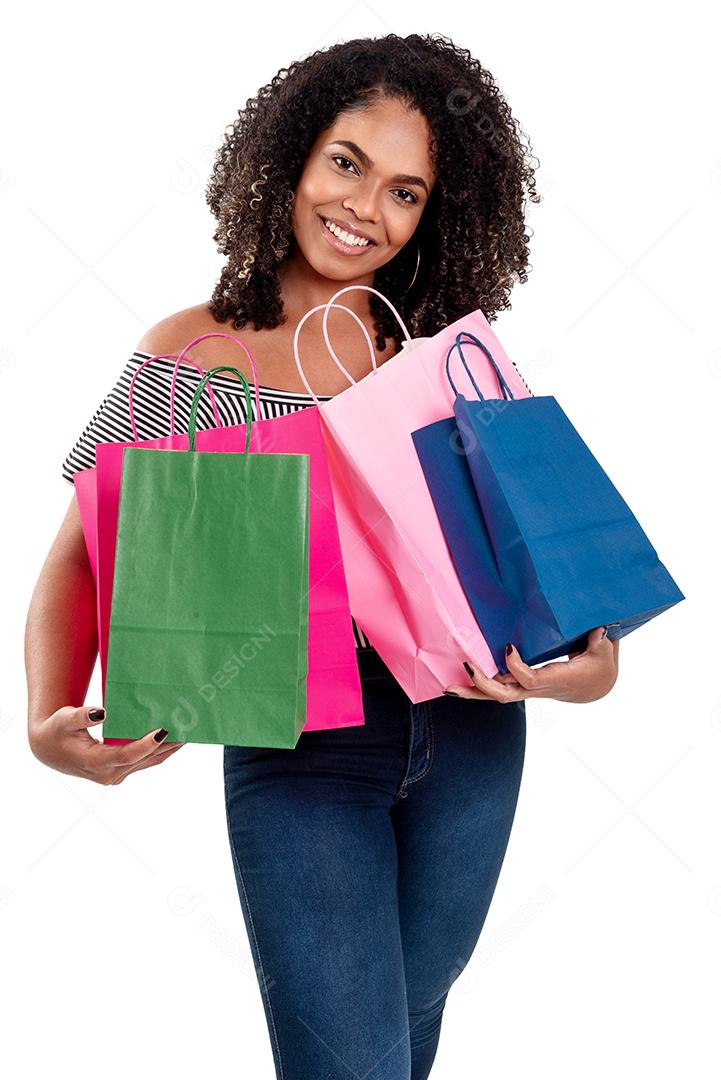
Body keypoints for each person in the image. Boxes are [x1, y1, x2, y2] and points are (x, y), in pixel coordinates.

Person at [25, 32, 619, 1079]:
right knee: (350, 1062)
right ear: (291, 156)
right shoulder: (192, 354)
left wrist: (596, 659)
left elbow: (540, 553)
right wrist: (44, 720)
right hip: (300, 748)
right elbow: (79, 555)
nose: (364, 209)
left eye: (405, 191)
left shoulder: (449, 360)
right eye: (346, 163)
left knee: (397, 1045)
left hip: (473, 740)